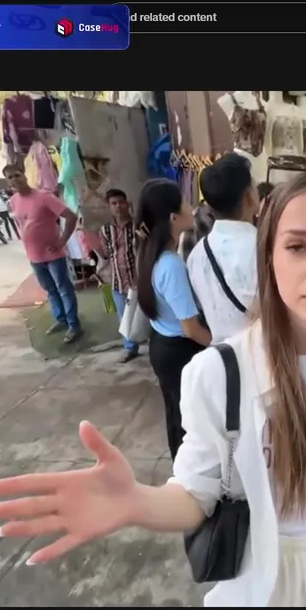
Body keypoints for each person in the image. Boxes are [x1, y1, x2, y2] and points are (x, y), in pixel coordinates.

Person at [0, 170, 306, 608]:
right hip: (260, 577)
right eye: (296, 246)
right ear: (268, 258)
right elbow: (196, 495)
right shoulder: (220, 372)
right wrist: (136, 503)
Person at [133, 179, 211, 459]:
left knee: (176, 414)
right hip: (179, 352)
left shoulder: (150, 254)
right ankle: (188, 475)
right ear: (173, 217)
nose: (192, 207)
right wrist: (220, 346)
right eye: (185, 202)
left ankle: (181, 468)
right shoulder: (171, 265)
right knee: (189, 421)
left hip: (163, 344)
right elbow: (191, 328)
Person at [4, 164, 84, 344]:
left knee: (64, 289)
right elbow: (22, 224)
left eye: (17, 175)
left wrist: (62, 242)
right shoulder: (14, 200)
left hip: (53, 254)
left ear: (24, 175)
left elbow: (71, 217)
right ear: (7, 182)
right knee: (50, 290)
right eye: (10, 177)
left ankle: (74, 325)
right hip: (34, 256)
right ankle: (61, 320)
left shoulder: (44, 197)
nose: (14, 179)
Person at [186, 153, 260, 343]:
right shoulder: (262, 247)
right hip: (262, 351)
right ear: (249, 197)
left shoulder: (197, 255)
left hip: (222, 355)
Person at [100, 189, 142, 363]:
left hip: (140, 280)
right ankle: (130, 348)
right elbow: (106, 254)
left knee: (149, 313)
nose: (118, 206)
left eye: (121, 202)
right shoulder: (105, 230)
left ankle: (155, 342)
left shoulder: (138, 226)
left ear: (128, 203)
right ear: (109, 206)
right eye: (114, 203)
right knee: (124, 317)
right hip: (118, 280)